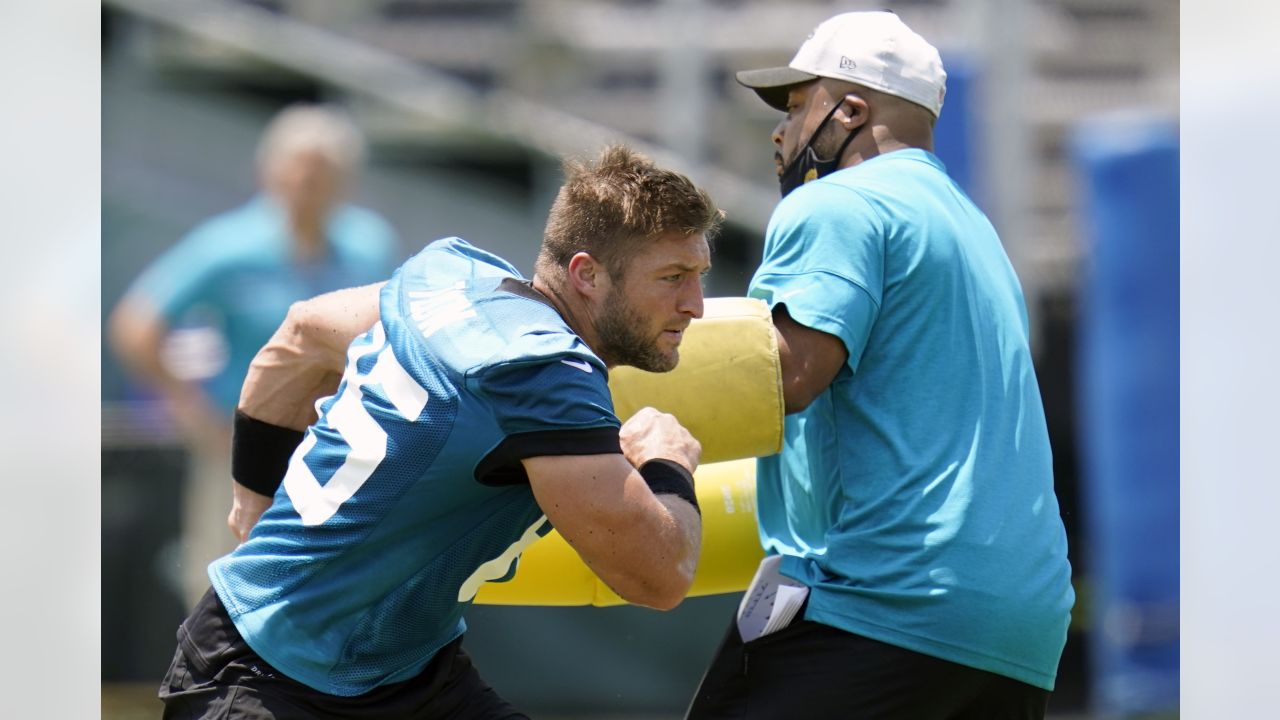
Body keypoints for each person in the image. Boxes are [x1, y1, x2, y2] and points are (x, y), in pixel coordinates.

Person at [158, 145, 723, 719]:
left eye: (698, 276)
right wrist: (666, 462)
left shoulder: (457, 277)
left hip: (404, 671)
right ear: (587, 274)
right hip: (271, 676)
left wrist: (252, 503)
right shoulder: (544, 376)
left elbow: (301, 336)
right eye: (672, 278)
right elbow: (659, 575)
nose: (695, 305)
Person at [684, 11, 1075, 719]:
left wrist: (604, 399)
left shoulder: (836, 203)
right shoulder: (972, 227)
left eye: (798, 106)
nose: (782, 131)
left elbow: (784, 376)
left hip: (883, 598)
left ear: (852, 111)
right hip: (1019, 626)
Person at [107, 103, 398, 610]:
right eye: (300, 167)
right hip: (244, 440)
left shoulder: (369, 245)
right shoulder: (227, 246)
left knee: (331, 582)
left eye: (324, 172)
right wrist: (190, 409)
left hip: (342, 441)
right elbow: (136, 324)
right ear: (271, 172)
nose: (310, 182)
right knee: (226, 575)